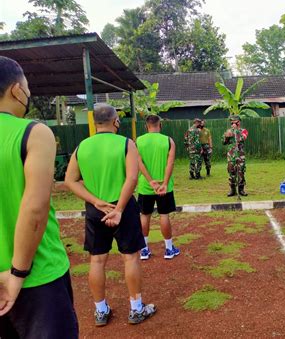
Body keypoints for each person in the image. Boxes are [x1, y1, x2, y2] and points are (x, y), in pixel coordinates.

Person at [0, 56, 78, 338]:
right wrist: (17, 274)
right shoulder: (33, 132)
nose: (29, 94)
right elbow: (35, 209)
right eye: (27, 87)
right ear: (16, 90)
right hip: (38, 278)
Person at [65, 103, 156, 326]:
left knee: (96, 261)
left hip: (96, 210)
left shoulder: (82, 146)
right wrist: (119, 209)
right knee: (131, 257)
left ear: (95, 123)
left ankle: (100, 311)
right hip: (122, 209)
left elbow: (70, 180)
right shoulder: (126, 144)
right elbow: (132, 179)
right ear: (116, 121)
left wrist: (96, 201)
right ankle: (136, 309)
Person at [136, 115, 180, 261]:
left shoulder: (138, 141)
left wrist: (150, 182)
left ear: (146, 126)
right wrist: (164, 183)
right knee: (164, 215)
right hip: (164, 187)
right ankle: (168, 249)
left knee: (144, 216)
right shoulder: (168, 141)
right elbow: (170, 163)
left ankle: (144, 250)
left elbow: (139, 163)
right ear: (160, 125)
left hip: (145, 186)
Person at [223, 115, 248, 196]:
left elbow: (242, 138)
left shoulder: (243, 131)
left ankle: (241, 190)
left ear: (239, 122)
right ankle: (232, 190)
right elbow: (223, 142)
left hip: (240, 155)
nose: (233, 124)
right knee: (231, 172)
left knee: (241, 172)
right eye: (232, 123)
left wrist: (235, 131)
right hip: (231, 155)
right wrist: (226, 137)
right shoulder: (228, 131)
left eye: (235, 122)